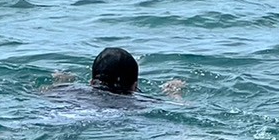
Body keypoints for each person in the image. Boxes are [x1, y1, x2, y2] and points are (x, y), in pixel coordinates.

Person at [51, 48, 186, 98]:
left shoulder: (67, 92)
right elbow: (181, 109)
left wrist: (60, 83)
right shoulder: (142, 104)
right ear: (134, 86)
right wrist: (174, 93)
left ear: (92, 82)